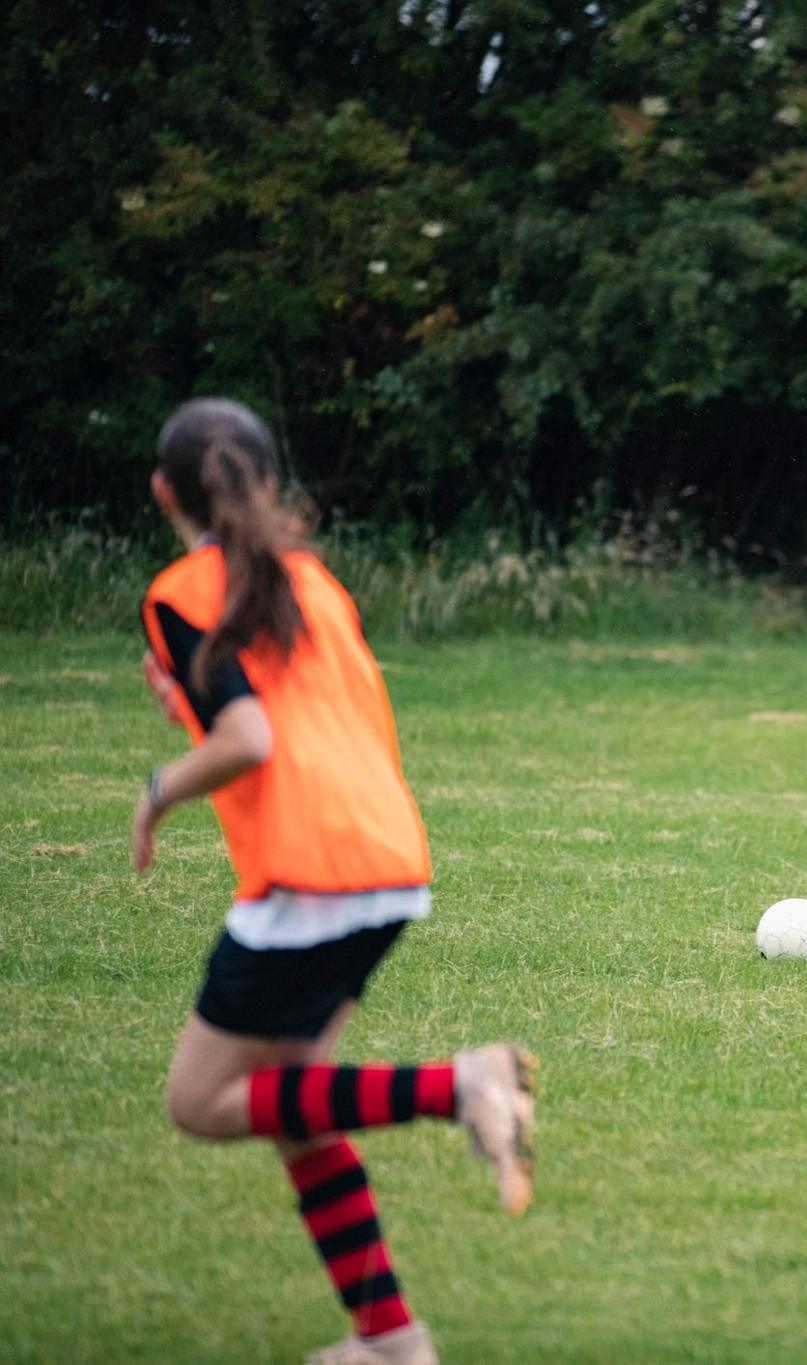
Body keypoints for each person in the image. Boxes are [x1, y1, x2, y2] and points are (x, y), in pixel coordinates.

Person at [132, 398, 535, 1365]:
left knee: (200, 1102)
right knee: (296, 1105)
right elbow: (295, 715)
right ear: (270, 484)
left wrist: (157, 790)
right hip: (388, 859)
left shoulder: (183, 591)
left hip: (307, 878)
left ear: (163, 494)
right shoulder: (312, 580)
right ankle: (391, 1342)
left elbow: (250, 737)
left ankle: (462, 1083)